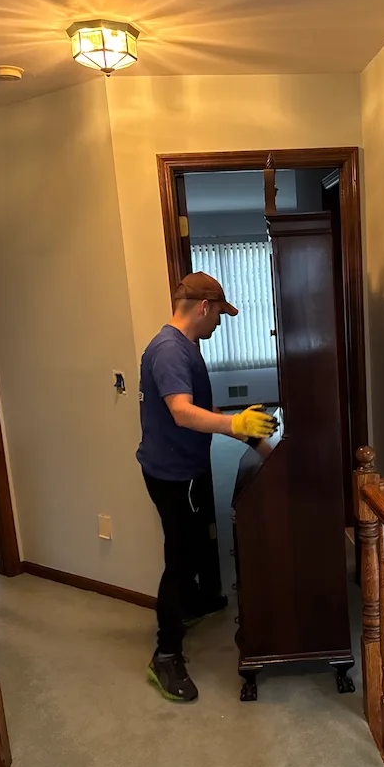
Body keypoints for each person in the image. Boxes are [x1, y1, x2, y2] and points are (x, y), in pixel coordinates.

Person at [137, 272, 275, 702]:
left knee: (195, 546)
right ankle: (166, 653)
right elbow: (181, 413)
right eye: (220, 314)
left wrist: (252, 437)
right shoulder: (169, 351)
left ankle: (192, 605)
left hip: (186, 466)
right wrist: (235, 424)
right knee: (179, 560)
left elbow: (201, 408)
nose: (220, 323)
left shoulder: (184, 348)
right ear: (203, 307)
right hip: (172, 473)